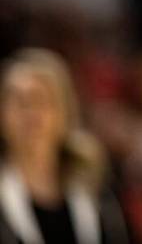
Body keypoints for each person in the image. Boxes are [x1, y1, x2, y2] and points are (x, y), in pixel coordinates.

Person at [0, 47, 128, 244]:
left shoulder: (97, 192)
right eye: (18, 100)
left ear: (63, 110)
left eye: (40, 99)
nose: (30, 112)